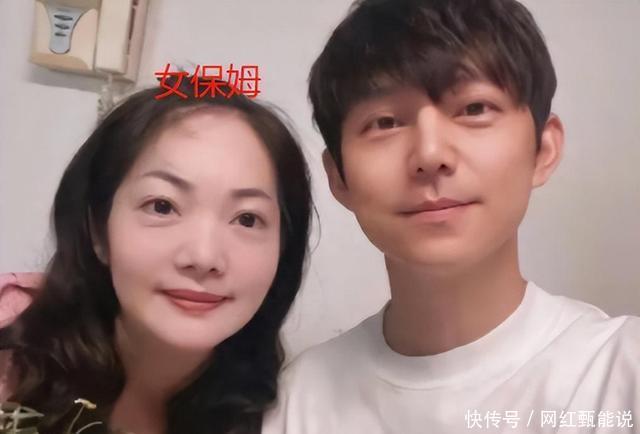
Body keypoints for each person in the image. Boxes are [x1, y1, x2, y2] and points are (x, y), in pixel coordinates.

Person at [263, 0, 640, 432]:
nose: (430, 154)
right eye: (385, 122)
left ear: (543, 149)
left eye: (474, 109)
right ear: (338, 177)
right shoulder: (297, 405)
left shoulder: (620, 371)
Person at [0, 78, 312, 434]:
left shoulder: (286, 415)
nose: (203, 256)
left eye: (247, 219)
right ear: (98, 231)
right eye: (162, 206)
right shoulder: (11, 359)